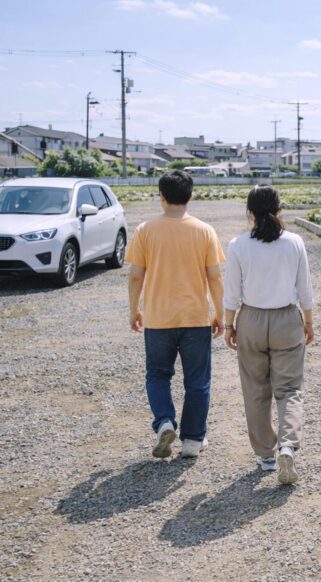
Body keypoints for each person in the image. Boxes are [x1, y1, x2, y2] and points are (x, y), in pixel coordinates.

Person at [126, 170, 225, 459]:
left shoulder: (145, 230)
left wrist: (134, 310)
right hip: (195, 318)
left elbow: (135, 276)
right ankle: (192, 441)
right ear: (191, 196)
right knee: (197, 381)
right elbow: (215, 277)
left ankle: (165, 422)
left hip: (158, 318)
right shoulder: (204, 231)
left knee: (158, 375)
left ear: (161, 197)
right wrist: (220, 313)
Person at [223, 186, 314, 485]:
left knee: (255, 389)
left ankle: (265, 455)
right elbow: (305, 290)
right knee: (289, 389)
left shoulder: (238, 245)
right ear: (279, 210)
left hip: (250, 319)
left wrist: (229, 325)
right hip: (286, 319)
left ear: (249, 212)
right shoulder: (294, 242)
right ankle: (287, 446)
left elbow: (231, 293)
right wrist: (308, 322)